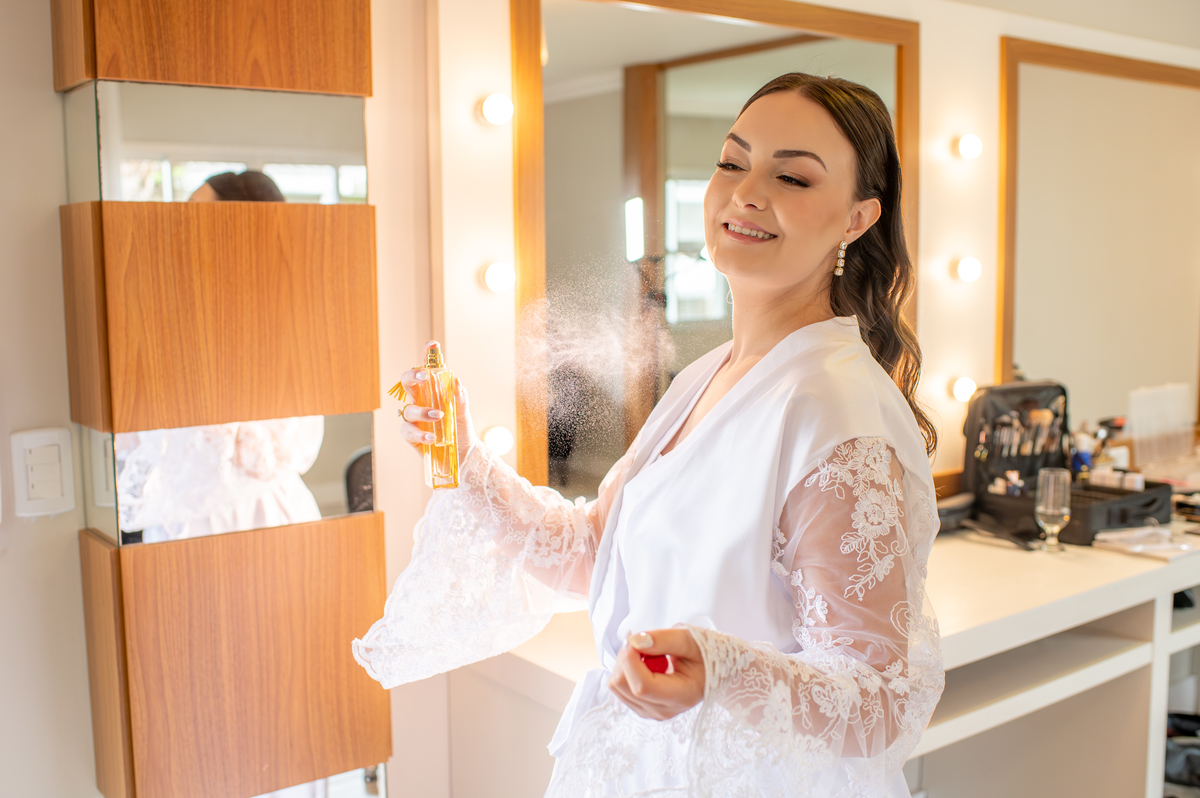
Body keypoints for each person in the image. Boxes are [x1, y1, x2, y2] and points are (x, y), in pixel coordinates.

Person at [354, 73, 943, 797]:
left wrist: (719, 672)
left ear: (857, 218)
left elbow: (877, 702)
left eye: (791, 176)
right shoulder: (709, 376)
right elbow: (597, 552)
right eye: (732, 162)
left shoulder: (832, 410)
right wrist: (464, 459)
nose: (745, 192)